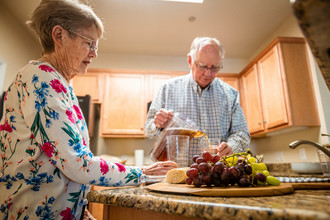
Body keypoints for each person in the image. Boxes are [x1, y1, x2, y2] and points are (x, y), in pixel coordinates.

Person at [0, 0, 176, 219]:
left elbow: (64, 163)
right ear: (59, 36)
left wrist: (79, 211)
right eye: (89, 43)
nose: (94, 53)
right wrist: (142, 174)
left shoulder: (60, 83)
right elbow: (76, 162)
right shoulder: (40, 78)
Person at [145, 37, 251, 160]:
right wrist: (157, 123)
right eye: (202, 66)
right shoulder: (167, 89)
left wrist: (231, 147)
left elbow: (242, 134)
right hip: (176, 172)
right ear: (190, 61)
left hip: (215, 173)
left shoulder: (230, 94)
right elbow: (148, 129)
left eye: (215, 67)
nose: (208, 74)